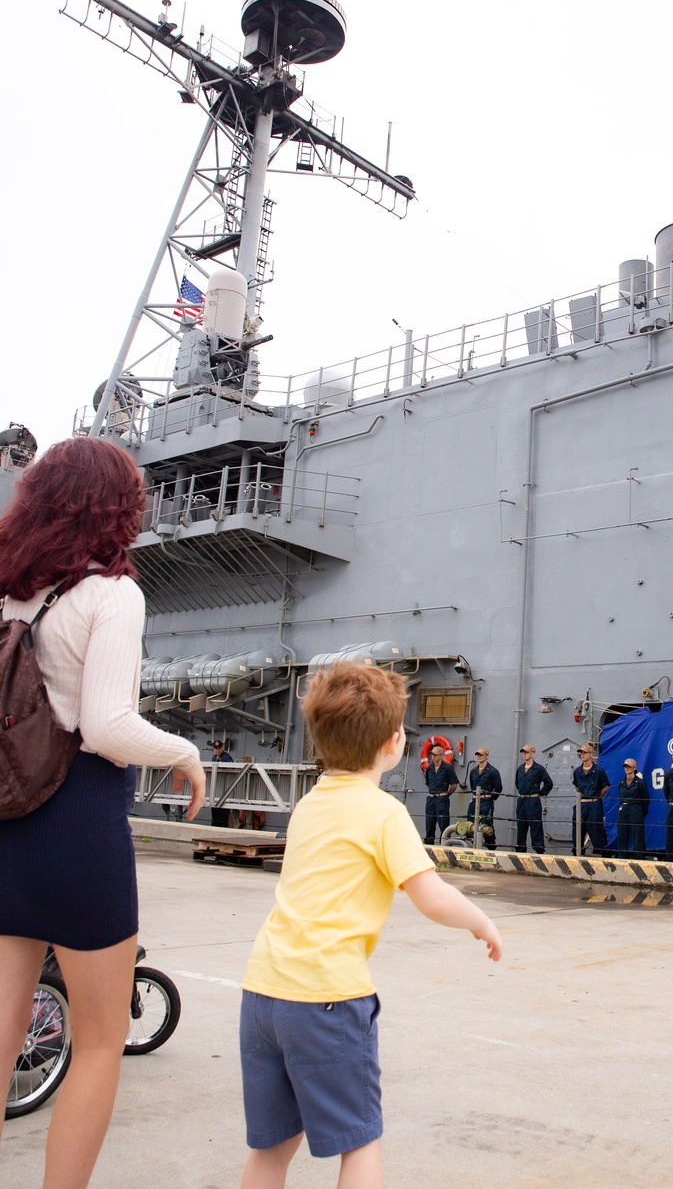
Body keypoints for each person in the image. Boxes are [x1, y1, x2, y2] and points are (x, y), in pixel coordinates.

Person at [0, 438, 206, 1185]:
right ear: (114, 506)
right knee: (100, 1037)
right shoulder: (110, 593)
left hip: (4, 819)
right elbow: (108, 727)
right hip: (74, 822)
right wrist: (184, 751)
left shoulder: (7, 591)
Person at [240, 663, 501, 1189]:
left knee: (271, 1149)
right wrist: (481, 921)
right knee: (359, 1144)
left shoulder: (309, 804)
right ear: (393, 742)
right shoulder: (383, 813)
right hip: (328, 998)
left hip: (262, 993)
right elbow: (430, 896)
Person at [572, 743, 610, 855]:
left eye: (585, 753)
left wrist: (597, 797)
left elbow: (606, 786)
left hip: (594, 804)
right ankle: (578, 852)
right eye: (581, 753)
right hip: (581, 804)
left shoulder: (598, 771)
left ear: (591, 754)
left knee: (596, 831)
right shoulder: (577, 772)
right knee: (578, 831)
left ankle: (601, 854)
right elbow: (577, 786)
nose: (582, 755)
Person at [514, 743, 553, 853]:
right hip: (522, 800)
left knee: (535, 825)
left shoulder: (538, 769)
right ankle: (520, 848)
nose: (524, 754)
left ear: (533, 754)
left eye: (527, 752)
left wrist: (541, 793)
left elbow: (548, 783)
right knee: (521, 825)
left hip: (533, 800)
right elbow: (517, 782)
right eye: (523, 752)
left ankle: (539, 849)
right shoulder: (520, 769)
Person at [466, 747, 503, 849]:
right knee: (470, 823)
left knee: (486, 824)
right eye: (478, 755)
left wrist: (491, 799)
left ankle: (490, 846)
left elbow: (498, 788)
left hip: (486, 801)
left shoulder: (493, 771)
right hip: (474, 800)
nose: (479, 757)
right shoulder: (473, 771)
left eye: (481, 755)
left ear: (487, 756)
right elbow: (472, 784)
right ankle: (470, 845)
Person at [423, 743, 458, 844]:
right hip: (431, 799)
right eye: (432, 755)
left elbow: (454, 785)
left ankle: (444, 844)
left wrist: (446, 794)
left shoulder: (447, 768)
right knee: (429, 824)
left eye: (435, 755)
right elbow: (428, 784)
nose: (433, 757)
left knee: (443, 825)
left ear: (441, 755)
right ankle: (429, 843)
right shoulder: (429, 768)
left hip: (441, 799)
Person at [616, 759, 650, 858]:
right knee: (622, 836)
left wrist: (640, 812)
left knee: (637, 837)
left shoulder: (640, 783)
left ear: (634, 768)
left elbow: (645, 799)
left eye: (629, 766)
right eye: (625, 767)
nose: (627, 769)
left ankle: (639, 859)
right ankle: (622, 858)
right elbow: (620, 798)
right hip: (623, 809)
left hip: (635, 809)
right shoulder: (621, 783)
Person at [209, 738, 234, 828]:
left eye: (219, 748)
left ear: (222, 748)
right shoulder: (214, 758)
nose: (217, 750)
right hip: (215, 791)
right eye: (216, 748)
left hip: (224, 791)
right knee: (215, 815)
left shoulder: (226, 757)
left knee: (222, 817)